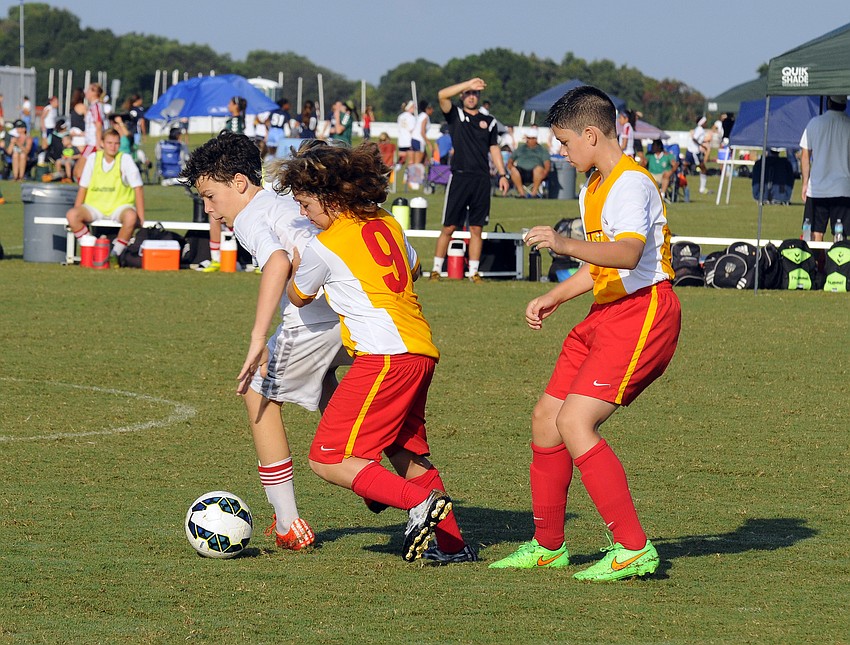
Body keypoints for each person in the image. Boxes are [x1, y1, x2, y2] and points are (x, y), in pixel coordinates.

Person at [489, 85, 680, 581]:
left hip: (643, 312)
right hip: (606, 311)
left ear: (591, 134)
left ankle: (633, 547)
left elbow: (627, 255)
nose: (561, 151)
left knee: (575, 422)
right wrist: (555, 295)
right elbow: (602, 265)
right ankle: (549, 545)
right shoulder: (593, 185)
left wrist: (562, 242)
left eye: (565, 141)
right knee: (546, 419)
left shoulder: (630, 184)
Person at [277, 142, 476, 564]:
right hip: (419, 349)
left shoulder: (324, 245)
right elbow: (414, 267)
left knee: (327, 459)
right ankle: (455, 547)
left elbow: (298, 296)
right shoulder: (386, 221)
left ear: (331, 198)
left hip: (384, 356)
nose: (303, 214)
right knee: (405, 451)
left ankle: (416, 505)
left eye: (306, 204)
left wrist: (297, 264)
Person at [180, 133, 350, 551]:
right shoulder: (276, 194)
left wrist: (258, 340)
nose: (209, 210)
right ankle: (365, 466)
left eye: (210, 196)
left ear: (239, 183)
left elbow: (277, 261)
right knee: (325, 379)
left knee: (257, 396)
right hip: (358, 307)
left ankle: (289, 523)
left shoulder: (251, 217)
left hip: (316, 315)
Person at [429, 78, 510, 282]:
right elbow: (442, 95)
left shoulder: (489, 121)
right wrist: (467, 84)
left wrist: (502, 174)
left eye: (475, 94)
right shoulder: (455, 115)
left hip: (481, 179)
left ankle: (474, 272)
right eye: (468, 93)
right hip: (460, 177)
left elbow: (494, 149)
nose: (471, 97)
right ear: (462, 95)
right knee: (449, 226)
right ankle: (436, 269)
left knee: (476, 228)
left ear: (479, 97)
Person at [66, 128, 145, 263]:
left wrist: (141, 218)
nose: (113, 147)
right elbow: (83, 187)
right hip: (94, 207)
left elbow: (138, 187)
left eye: (116, 143)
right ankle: (92, 249)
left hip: (119, 207)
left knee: (131, 217)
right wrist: (77, 211)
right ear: (102, 143)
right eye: (109, 143)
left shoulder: (125, 159)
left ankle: (115, 253)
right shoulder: (93, 158)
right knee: (72, 215)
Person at [799, 95, 850, 242]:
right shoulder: (848, 124)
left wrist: (804, 183)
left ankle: (815, 264)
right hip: (843, 189)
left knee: (814, 234)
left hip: (817, 188)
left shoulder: (814, 123)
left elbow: (805, 155)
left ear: (829, 102)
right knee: (840, 236)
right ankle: (839, 265)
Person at [73, 83, 106, 181]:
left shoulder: (96, 106)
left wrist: (98, 143)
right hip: (90, 143)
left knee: (79, 172)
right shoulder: (93, 106)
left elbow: (98, 124)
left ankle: (87, 194)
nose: (85, 92)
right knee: (78, 172)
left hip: (93, 144)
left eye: (88, 90)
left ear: (94, 93)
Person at [507, 126, 551, 198]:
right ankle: (522, 194)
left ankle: (533, 193)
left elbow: (547, 164)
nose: (529, 140)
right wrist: (510, 166)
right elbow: (511, 160)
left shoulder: (542, 150)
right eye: (528, 138)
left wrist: (545, 173)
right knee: (514, 170)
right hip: (521, 172)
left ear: (535, 139)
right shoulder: (521, 148)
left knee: (539, 169)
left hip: (535, 173)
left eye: (531, 138)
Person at [687, 116, 710, 195]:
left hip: (694, 151)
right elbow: (694, 138)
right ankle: (702, 188)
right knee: (702, 168)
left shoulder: (700, 129)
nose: (706, 124)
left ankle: (702, 188)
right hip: (693, 152)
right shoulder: (700, 130)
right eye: (705, 122)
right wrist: (702, 145)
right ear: (702, 123)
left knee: (702, 168)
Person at [396, 100, 416, 167]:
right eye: (413, 107)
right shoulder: (412, 117)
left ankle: (393, 174)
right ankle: (407, 175)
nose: (414, 108)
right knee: (411, 162)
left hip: (401, 141)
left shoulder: (400, 117)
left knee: (401, 161)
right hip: (409, 142)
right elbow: (412, 129)